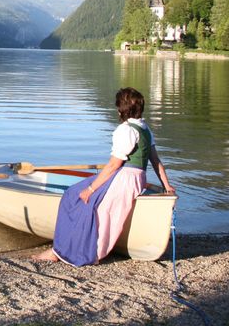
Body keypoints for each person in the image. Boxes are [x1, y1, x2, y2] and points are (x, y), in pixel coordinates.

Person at [33, 87, 175, 265]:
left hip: (123, 178)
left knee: (73, 197)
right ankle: (68, 248)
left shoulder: (125, 131)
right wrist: (167, 186)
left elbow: (114, 165)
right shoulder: (145, 129)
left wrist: (90, 189)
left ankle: (63, 251)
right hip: (138, 179)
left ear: (120, 110)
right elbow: (156, 162)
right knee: (84, 199)